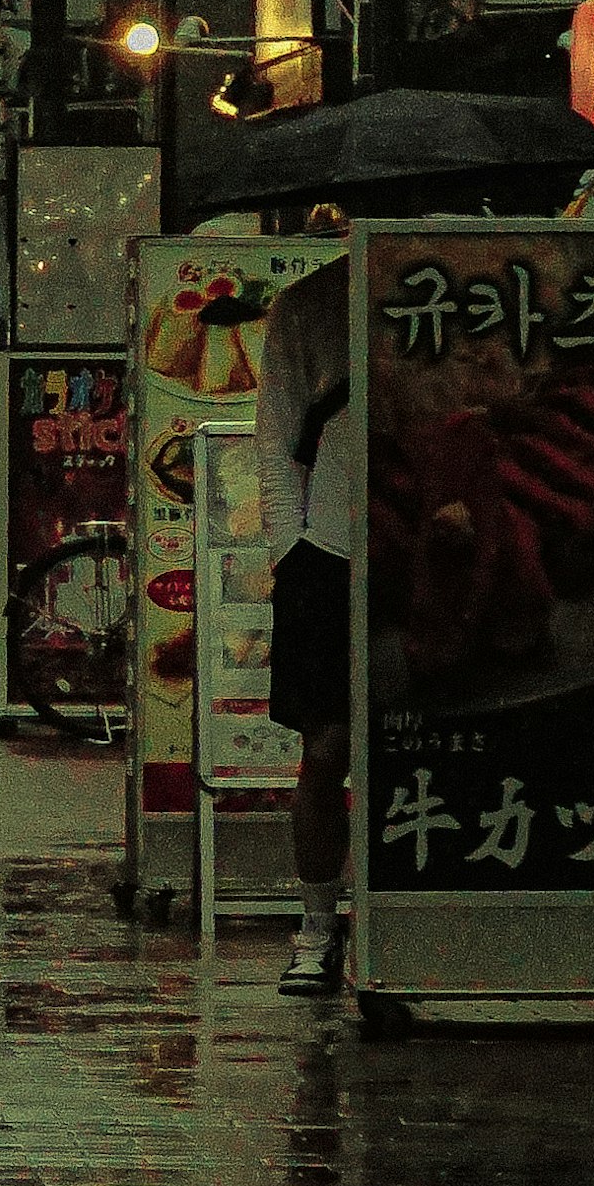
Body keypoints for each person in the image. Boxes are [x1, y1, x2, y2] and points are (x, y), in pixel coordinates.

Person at [256, 231, 357, 996]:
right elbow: (275, 441)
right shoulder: (310, 304)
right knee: (326, 748)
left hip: (443, 547)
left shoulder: (476, 290)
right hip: (332, 552)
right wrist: (294, 551)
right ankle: (318, 926)